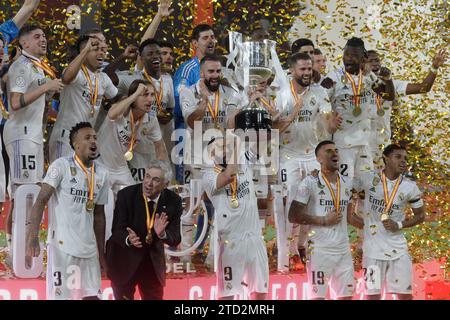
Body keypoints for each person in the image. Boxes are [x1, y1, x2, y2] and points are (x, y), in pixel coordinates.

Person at [26, 122, 109, 300]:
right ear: (75, 144)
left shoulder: (102, 173)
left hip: (89, 249)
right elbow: (41, 200)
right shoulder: (61, 166)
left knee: (93, 297)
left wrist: (101, 253)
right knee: (61, 297)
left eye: (95, 137)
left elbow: (99, 216)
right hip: (61, 247)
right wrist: (33, 237)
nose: (93, 141)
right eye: (87, 138)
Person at [274, 52, 341, 269]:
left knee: (312, 203)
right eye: (302, 69)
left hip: (312, 155)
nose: (306, 73)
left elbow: (327, 119)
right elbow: (273, 129)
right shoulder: (282, 95)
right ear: (292, 70)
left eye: (309, 68)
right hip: (289, 157)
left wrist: (332, 123)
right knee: (293, 204)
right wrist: (290, 116)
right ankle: (289, 251)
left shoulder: (319, 92)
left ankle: (302, 246)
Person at [4, 24, 64, 262]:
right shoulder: (21, 66)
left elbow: (37, 106)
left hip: (33, 135)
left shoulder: (39, 68)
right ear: (23, 43)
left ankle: (14, 251)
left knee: (28, 190)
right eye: (37, 37)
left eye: (45, 36)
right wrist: (47, 87)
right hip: (21, 134)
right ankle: (18, 254)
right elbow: (15, 103)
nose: (43, 40)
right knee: (24, 193)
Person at [180, 54, 240, 264]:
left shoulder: (229, 93)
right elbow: (190, 120)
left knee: (221, 207)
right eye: (210, 72)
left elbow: (232, 125)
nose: (215, 75)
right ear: (202, 73)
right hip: (196, 157)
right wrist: (203, 102)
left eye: (218, 71)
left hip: (220, 159)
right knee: (193, 206)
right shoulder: (188, 92)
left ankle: (214, 258)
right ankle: (186, 256)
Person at [348, 144, 425, 300]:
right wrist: (350, 216)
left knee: (405, 296)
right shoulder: (369, 178)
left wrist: (399, 225)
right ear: (386, 158)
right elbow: (345, 189)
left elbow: (421, 215)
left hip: (399, 251)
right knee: (372, 297)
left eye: (405, 158)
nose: (403, 161)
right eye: (398, 157)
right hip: (372, 253)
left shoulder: (410, 187)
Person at [202, 135, 269, 300]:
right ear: (211, 155)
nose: (225, 149)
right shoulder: (208, 175)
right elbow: (228, 176)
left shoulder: (243, 162)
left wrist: (263, 127)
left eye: (227, 146)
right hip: (230, 241)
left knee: (260, 291)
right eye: (220, 147)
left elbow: (261, 143)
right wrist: (235, 140)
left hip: (254, 237)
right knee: (228, 294)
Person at [106, 160, 182, 300]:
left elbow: (175, 238)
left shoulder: (173, 201)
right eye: (147, 176)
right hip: (125, 261)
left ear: (165, 184)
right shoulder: (126, 195)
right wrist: (129, 239)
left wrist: (162, 234)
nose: (149, 183)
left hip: (151, 266)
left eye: (155, 180)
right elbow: (117, 230)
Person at [321, 37, 395, 180]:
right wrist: (328, 118)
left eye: (354, 56)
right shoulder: (333, 78)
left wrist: (388, 79)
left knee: (366, 188)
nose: (348, 59)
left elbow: (388, 96)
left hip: (364, 144)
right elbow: (319, 100)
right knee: (344, 186)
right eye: (346, 54)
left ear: (363, 57)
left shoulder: (368, 77)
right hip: (343, 145)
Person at [288, 140, 355, 300]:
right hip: (319, 251)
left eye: (336, 150)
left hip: (343, 251)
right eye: (329, 151)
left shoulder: (347, 183)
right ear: (318, 159)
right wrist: (323, 220)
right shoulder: (309, 183)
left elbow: (351, 217)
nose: (334, 153)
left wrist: (374, 225)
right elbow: (293, 215)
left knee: (346, 297)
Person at [366, 49, 447, 166]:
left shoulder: (392, 84)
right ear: (363, 64)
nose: (375, 63)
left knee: (380, 182)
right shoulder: (358, 84)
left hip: (382, 144)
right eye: (370, 60)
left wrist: (434, 67)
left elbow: (423, 88)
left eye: (377, 60)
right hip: (361, 143)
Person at [49, 33, 117, 161]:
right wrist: (85, 50)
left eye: (103, 50)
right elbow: (67, 78)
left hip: (86, 139)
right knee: (61, 179)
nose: (101, 53)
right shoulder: (76, 72)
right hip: (65, 136)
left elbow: (116, 96)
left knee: (83, 179)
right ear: (84, 52)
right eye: (95, 49)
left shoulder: (103, 78)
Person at [97, 80, 167, 196]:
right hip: (101, 165)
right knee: (106, 207)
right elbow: (111, 115)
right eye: (145, 94)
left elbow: (160, 147)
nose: (150, 99)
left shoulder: (151, 120)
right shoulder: (123, 110)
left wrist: (162, 172)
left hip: (121, 168)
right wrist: (135, 94)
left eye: (152, 95)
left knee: (134, 200)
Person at [173, 23, 216, 182]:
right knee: (190, 192)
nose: (210, 40)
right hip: (188, 138)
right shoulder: (187, 70)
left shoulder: (217, 70)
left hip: (211, 138)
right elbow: (179, 107)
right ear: (194, 43)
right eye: (205, 38)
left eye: (212, 37)